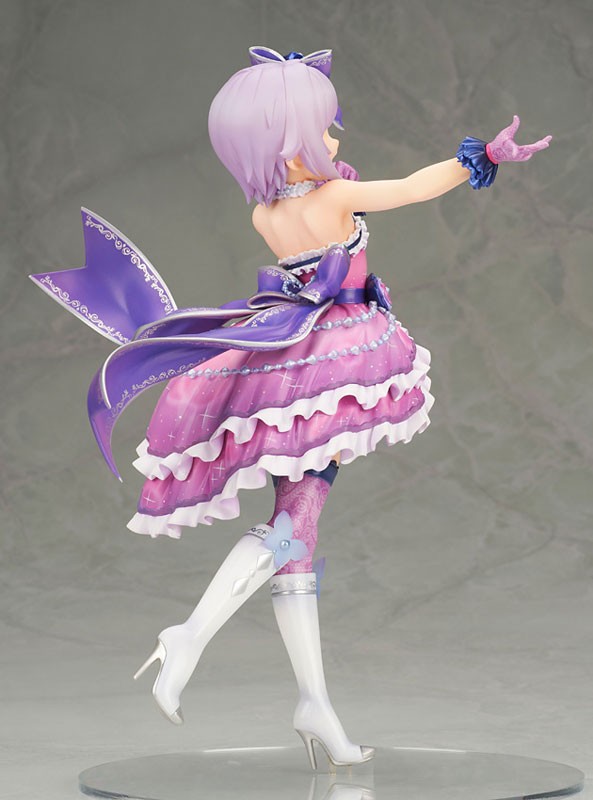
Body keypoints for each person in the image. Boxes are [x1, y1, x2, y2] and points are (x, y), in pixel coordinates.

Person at [29, 46, 551, 770]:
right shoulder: (333, 199)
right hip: (330, 363)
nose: (335, 138)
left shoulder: (265, 212)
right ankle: (189, 636)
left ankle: (314, 706)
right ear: (285, 142)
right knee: (287, 530)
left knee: (297, 535)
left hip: (286, 363)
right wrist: (481, 159)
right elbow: (409, 188)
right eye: (323, 127)